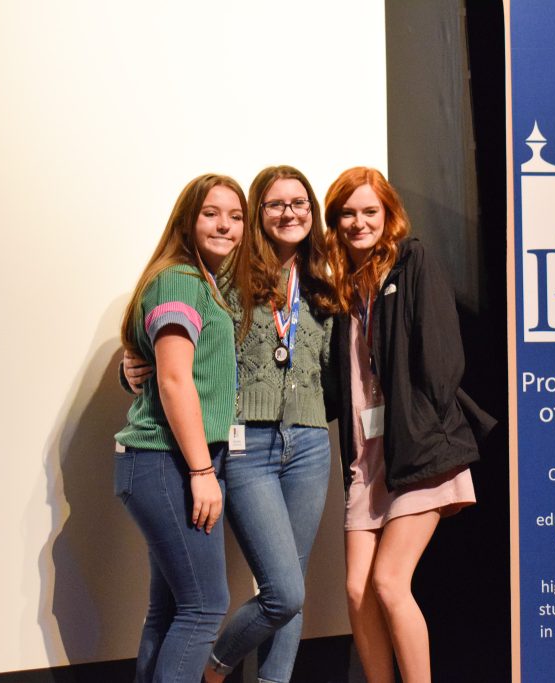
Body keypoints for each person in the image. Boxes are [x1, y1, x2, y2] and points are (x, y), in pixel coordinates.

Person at [127, 165, 338, 683]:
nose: (289, 213)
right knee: (277, 589)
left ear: (312, 213)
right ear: (257, 215)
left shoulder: (323, 283)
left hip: (311, 441)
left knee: (294, 589)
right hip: (246, 443)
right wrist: (132, 361)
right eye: (274, 204)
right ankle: (214, 668)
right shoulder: (226, 273)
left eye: (300, 203)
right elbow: (175, 332)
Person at [323, 167, 495, 683]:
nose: (359, 223)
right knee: (357, 589)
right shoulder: (341, 288)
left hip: (418, 448)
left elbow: (443, 355)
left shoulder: (411, 260)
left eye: (369, 211)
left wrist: (423, 419)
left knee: (390, 582)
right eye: (349, 213)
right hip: (366, 457)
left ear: (388, 215)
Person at [113, 173, 245, 682]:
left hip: (158, 464)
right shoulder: (180, 280)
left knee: (169, 612)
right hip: (166, 462)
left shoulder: (200, 281)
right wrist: (200, 470)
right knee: (205, 607)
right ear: (187, 219)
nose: (225, 226)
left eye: (235, 217)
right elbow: (172, 380)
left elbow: (160, 370)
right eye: (212, 213)